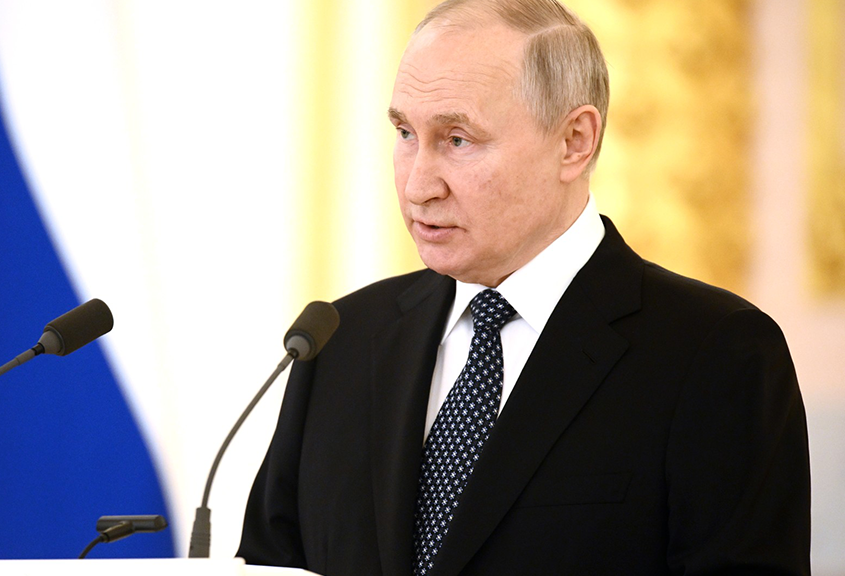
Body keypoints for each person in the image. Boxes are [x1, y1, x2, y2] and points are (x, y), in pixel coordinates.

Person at [237, 0, 811, 574]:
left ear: (574, 141)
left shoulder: (716, 354)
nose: (417, 185)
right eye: (406, 132)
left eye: (457, 139)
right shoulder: (338, 340)